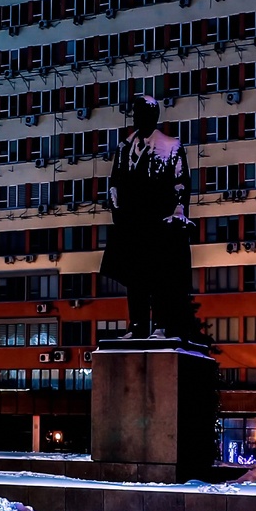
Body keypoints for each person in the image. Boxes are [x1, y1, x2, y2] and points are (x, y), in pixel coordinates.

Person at [97, 94, 197, 340]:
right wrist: (116, 206)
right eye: (136, 114)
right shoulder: (124, 146)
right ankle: (137, 326)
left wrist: (178, 210)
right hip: (132, 225)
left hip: (159, 224)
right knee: (135, 279)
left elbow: (180, 182)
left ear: (153, 116)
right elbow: (115, 181)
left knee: (161, 277)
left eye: (142, 113)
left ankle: (161, 326)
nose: (137, 118)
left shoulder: (171, 145)